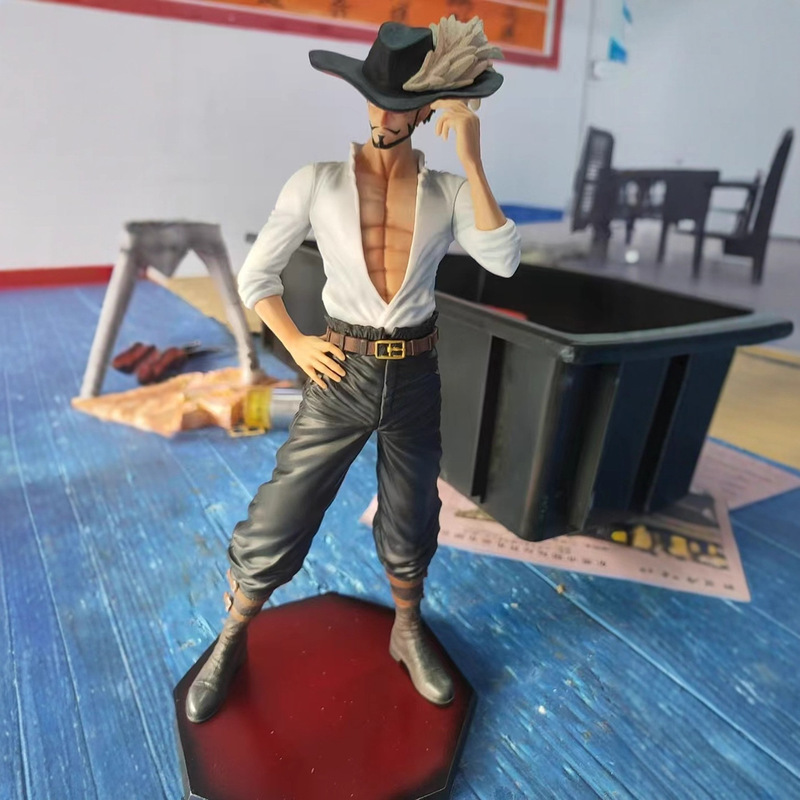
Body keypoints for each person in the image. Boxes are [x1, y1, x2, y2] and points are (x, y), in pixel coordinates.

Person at [186, 15, 521, 724]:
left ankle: (407, 628)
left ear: (426, 110)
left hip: (416, 373)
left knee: (412, 511)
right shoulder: (318, 182)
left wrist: (473, 155)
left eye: (403, 104)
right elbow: (257, 276)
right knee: (284, 509)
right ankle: (232, 636)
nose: (385, 115)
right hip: (342, 372)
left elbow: (503, 261)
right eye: (377, 99)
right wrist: (296, 343)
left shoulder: (449, 192)